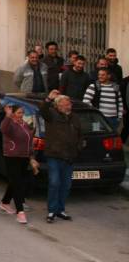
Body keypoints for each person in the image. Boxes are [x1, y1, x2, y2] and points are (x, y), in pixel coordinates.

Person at [41, 90, 81, 223]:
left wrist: (78, 147)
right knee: (54, 182)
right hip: (54, 155)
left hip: (69, 157)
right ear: (58, 106)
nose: (67, 106)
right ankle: (52, 210)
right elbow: (42, 111)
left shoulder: (75, 117)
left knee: (66, 185)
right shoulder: (51, 114)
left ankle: (60, 209)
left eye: (68, 104)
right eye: (64, 104)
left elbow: (80, 134)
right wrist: (48, 98)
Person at [0, 105, 37, 224]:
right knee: (17, 183)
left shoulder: (24, 124)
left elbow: (29, 142)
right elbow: (3, 128)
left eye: (22, 113)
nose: (21, 115)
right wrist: (8, 116)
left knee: (15, 181)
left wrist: (32, 158)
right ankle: (20, 212)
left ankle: (5, 203)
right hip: (12, 157)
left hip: (24, 157)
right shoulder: (10, 124)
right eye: (19, 113)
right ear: (13, 113)